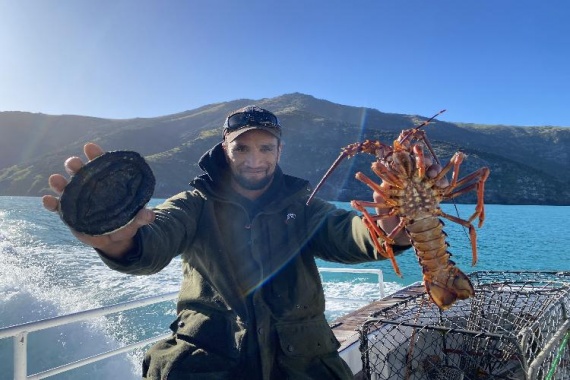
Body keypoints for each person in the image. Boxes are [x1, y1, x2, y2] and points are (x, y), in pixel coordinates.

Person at [43, 105, 418, 379]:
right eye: (242, 148)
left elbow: (348, 234)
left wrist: (386, 226)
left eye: (265, 148)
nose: (255, 159)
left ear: (279, 151)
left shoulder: (304, 206)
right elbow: (154, 240)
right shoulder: (194, 204)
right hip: (211, 365)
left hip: (302, 366)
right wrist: (116, 241)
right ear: (225, 149)